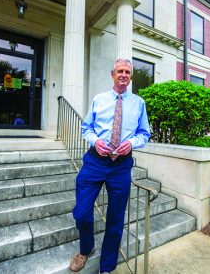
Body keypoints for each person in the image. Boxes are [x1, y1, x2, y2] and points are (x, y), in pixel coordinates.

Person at [69, 58, 151, 273]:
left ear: (131, 77)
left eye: (127, 72)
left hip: (121, 166)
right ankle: (86, 248)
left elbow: (145, 134)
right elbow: (86, 128)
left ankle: (107, 266)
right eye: (119, 71)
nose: (123, 74)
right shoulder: (99, 99)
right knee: (81, 213)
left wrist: (131, 143)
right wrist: (96, 141)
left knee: (115, 219)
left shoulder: (138, 103)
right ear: (112, 74)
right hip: (95, 162)